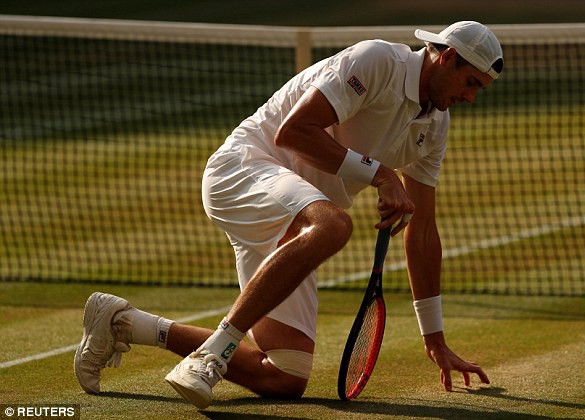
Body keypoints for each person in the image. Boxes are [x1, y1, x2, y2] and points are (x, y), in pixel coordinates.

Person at [74, 21, 504, 408]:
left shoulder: (436, 125)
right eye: (469, 82)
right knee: (334, 224)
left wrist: (435, 339)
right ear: (445, 57)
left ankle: (123, 322)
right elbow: (293, 132)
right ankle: (210, 355)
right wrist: (380, 174)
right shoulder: (377, 60)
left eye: (478, 89)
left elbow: (423, 230)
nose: (468, 97)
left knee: (285, 376)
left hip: (294, 217)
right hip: (244, 169)